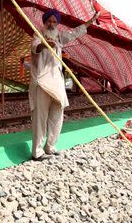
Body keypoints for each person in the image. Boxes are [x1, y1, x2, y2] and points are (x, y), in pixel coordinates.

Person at [30, 9, 98, 160]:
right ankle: (37, 152)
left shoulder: (60, 37)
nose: (52, 24)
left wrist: (91, 21)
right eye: (49, 21)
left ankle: (50, 146)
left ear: (58, 24)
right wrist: (44, 44)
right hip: (42, 81)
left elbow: (75, 33)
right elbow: (35, 47)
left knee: (57, 114)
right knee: (40, 117)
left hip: (56, 81)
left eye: (54, 22)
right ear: (45, 22)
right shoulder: (38, 35)